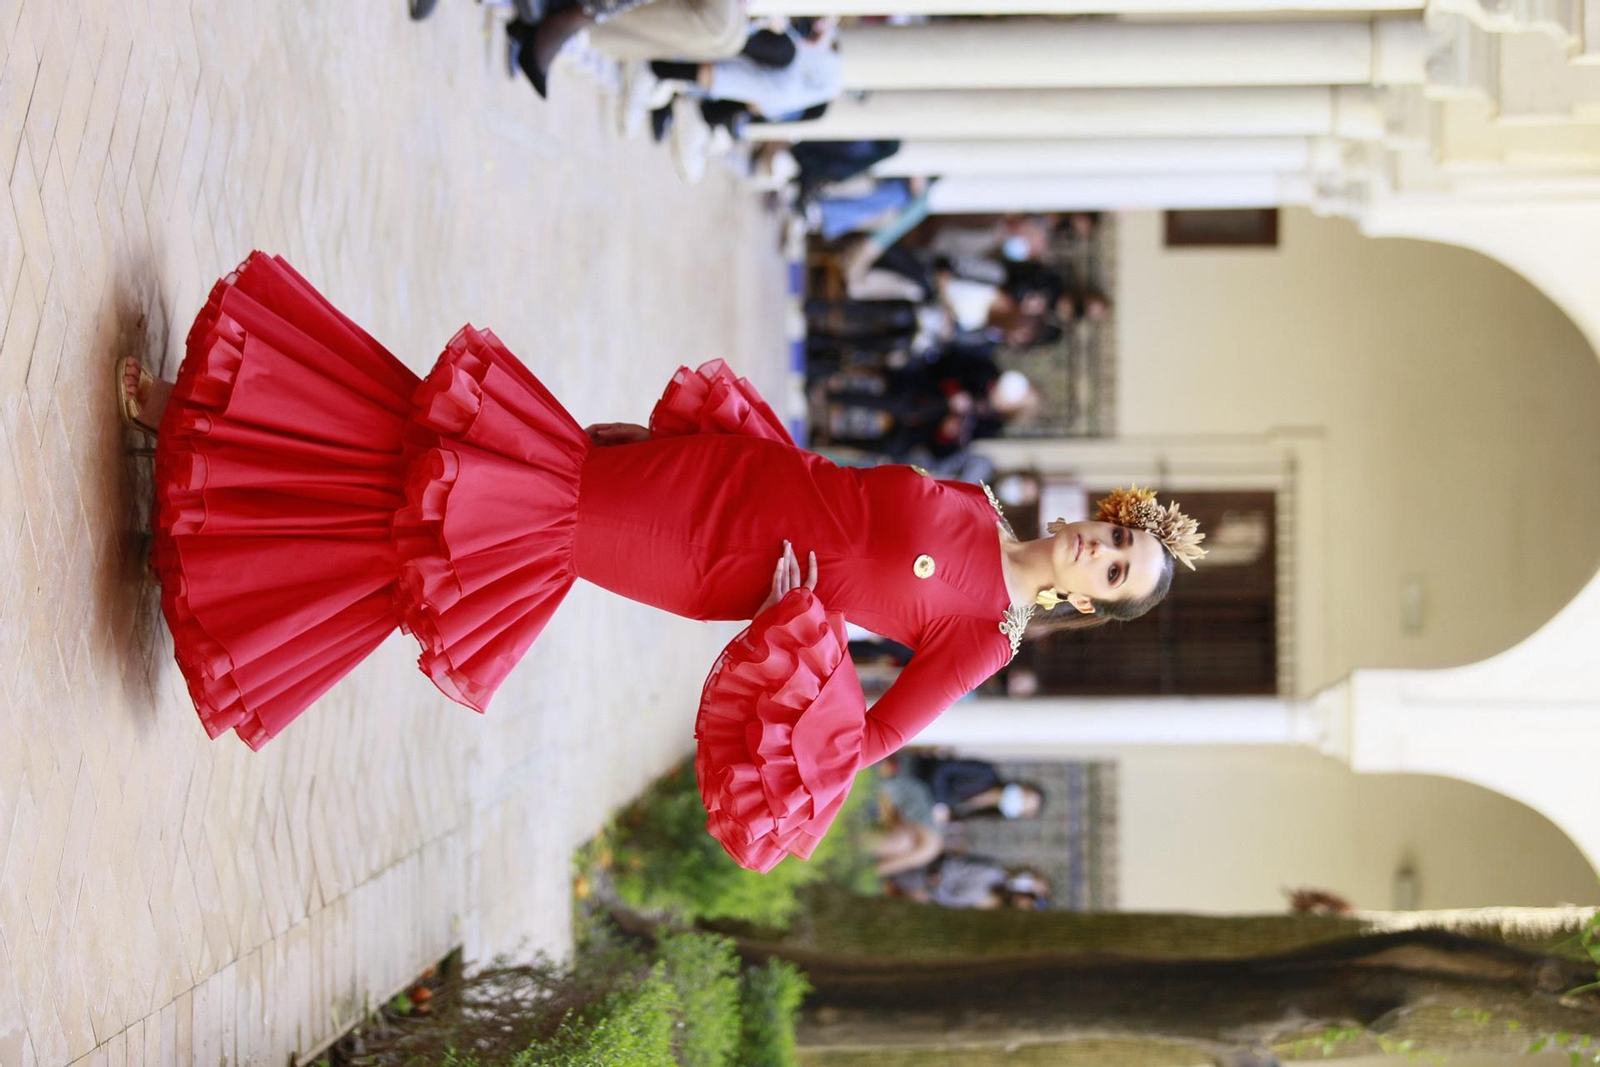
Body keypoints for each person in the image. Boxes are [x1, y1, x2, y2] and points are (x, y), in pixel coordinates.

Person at [116, 253, 1206, 872]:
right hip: (721, 473)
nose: (1098, 549)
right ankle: (221, 459)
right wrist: (728, 442)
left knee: (475, 505)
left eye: (1111, 571)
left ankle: (216, 483)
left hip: (701, 551)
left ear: (1084, 599)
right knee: (463, 461)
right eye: (1116, 536)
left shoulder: (978, 641)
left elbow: (858, 742)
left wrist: (797, 640)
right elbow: (835, 483)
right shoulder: (975, 498)